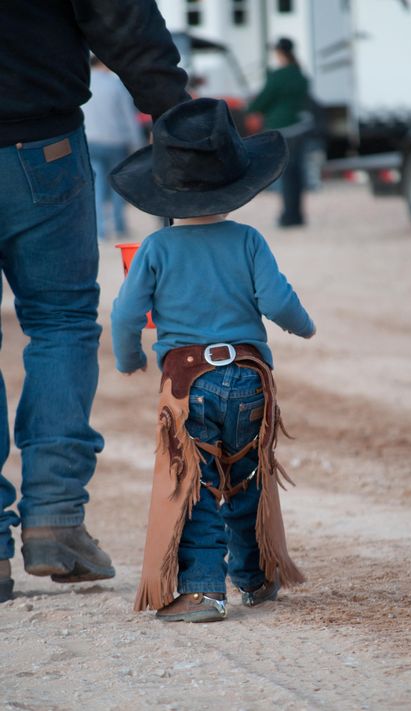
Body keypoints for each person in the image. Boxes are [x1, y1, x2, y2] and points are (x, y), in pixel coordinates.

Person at [0, 0, 190, 603]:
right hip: (39, 141)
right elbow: (118, 12)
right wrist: (173, 107)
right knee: (61, 323)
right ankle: (56, 518)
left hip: (40, 130)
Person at [110, 98, 316, 622]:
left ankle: (203, 591)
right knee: (245, 475)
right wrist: (304, 326)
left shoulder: (156, 249)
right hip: (249, 378)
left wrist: (129, 358)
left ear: (165, 191)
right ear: (236, 185)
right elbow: (277, 301)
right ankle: (256, 574)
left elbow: (126, 315)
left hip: (188, 383)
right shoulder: (248, 240)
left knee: (195, 481)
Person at [247, 37, 310, 228]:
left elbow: (262, 101)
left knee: (286, 174)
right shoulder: (301, 75)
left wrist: (251, 109)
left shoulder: (277, 76)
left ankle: (288, 216)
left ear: (280, 53)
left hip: (282, 129)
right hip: (300, 127)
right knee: (298, 173)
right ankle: (298, 215)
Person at [83, 57, 144, 241]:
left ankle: (100, 230)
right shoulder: (116, 85)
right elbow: (128, 116)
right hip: (115, 141)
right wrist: (137, 145)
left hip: (90, 141)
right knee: (117, 185)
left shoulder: (83, 83)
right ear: (104, 64)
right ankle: (119, 226)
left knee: (97, 185)